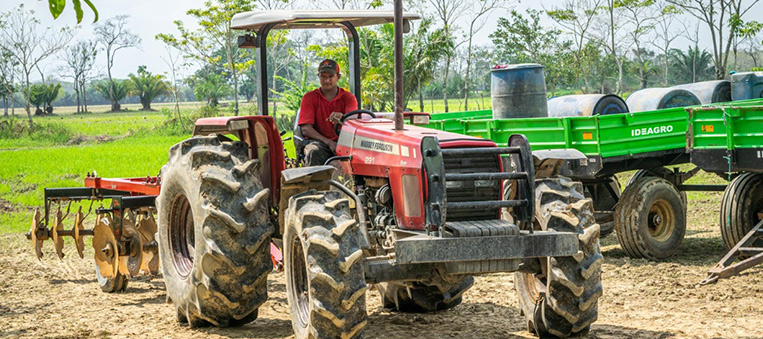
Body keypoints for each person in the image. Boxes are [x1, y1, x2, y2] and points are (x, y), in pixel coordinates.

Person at [298, 59, 359, 166]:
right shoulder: (310, 98)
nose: (327, 80)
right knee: (314, 152)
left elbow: (353, 120)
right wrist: (329, 142)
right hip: (320, 143)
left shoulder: (348, 98)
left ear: (338, 77)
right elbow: (306, 129)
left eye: (330, 76)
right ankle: (316, 181)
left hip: (344, 142)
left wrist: (342, 118)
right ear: (319, 77)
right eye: (323, 77)